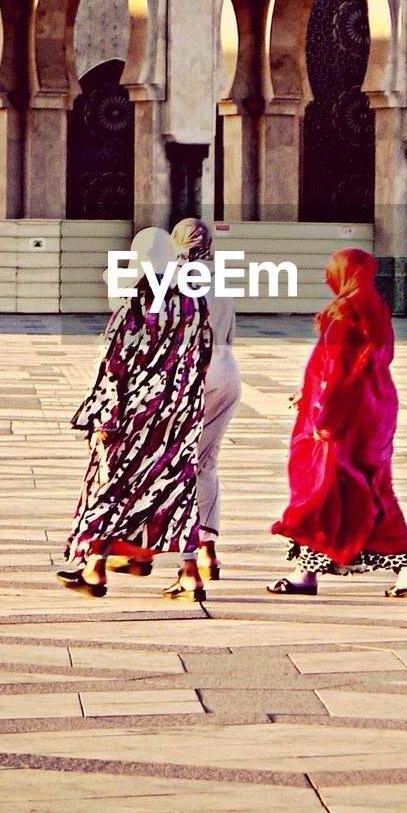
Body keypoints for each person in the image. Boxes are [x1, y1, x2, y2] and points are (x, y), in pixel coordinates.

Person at [58, 227, 212, 601]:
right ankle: (190, 575)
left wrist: (104, 420)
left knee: (109, 486)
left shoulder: (135, 303)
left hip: (135, 415)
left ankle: (94, 569)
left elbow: (115, 366)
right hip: (180, 410)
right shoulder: (193, 302)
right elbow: (203, 351)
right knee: (176, 487)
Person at [268, 247, 407, 598]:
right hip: (377, 408)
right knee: (373, 488)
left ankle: (305, 574)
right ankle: (406, 571)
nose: (327, 277)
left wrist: (322, 413)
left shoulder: (343, 311)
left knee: (324, 492)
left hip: (345, 416)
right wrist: (306, 391)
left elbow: (335, 371)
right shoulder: (377, 307)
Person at [170, 217, 241, 586]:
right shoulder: (221, 275)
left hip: (191, 368)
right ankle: (209, 551)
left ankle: (188, 559)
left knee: (179, 462)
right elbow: (231, 331)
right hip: (227, 368)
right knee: (206, 462)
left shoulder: (171, 275)